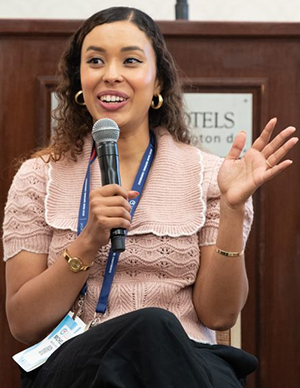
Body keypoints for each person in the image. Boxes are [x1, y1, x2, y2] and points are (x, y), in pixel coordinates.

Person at [2, 6, 298, 388]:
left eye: (130, 60)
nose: (111, 74)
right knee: (150, 325)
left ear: (157, 82)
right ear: (80, 80)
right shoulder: (38, 178)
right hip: (79, 364)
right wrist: (89, 242)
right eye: (95, 61)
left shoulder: (210, 177)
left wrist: (232, 209)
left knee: (158, 331)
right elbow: (23, 323)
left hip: (187, 359)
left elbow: (219, 316)